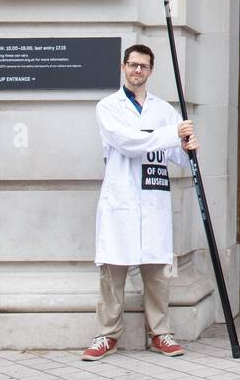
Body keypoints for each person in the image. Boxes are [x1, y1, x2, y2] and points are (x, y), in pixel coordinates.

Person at [81, 44, 197, 361]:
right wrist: (171, 133)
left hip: (154, 198)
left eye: (144, 66)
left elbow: (178, 157)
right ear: (123, 67)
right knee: (113, 272)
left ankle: (160, 333)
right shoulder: (108, 107)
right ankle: (106, 335)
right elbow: (128, 142)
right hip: (120, 199)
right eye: (133, 65)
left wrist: (188, 147)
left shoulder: (164, 110)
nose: (137, 71)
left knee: (158, 272)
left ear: (151, 70)